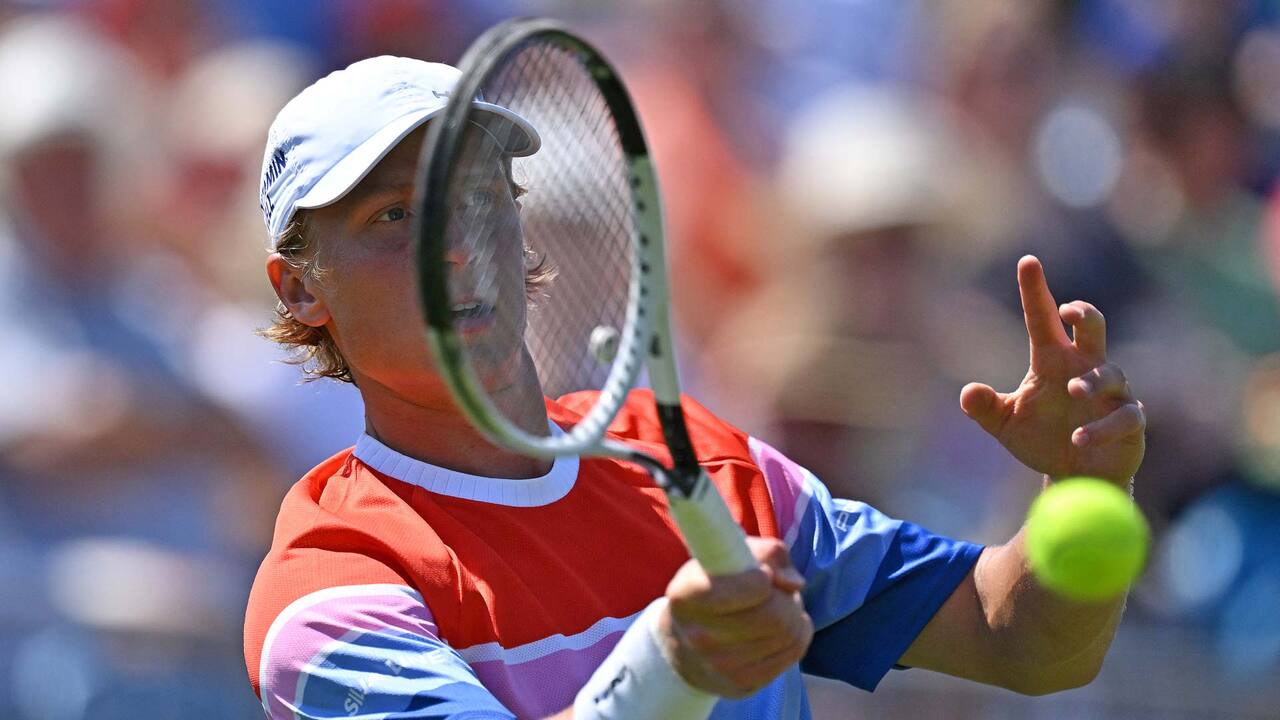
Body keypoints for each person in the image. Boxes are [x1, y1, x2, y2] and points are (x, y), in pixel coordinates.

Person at [243, 57, 1147, 719]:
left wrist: (1084, 481)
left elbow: (1017, 640)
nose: (453, 243)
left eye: (477, 194)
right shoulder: (329, 595)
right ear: (301, 289)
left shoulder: (706, 462)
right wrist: (669, 665)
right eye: (393, 216)